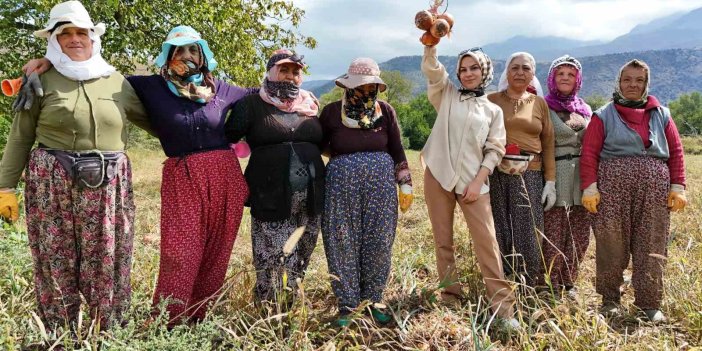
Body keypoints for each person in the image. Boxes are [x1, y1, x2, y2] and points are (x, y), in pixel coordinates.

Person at [19, 25, 255, 326]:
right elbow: (91, 72)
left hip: (225, 174)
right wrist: (51, 60)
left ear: (203, 55)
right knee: (180, 254)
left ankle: (200, 319)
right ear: (167, 55)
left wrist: (296, 97)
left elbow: (259, 94)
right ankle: (168, 321)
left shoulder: (221, 89)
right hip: (183, 174)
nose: (187, 57)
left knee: (217, 250)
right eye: (178, 51)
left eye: (193, 50)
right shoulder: (148, 86)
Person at [0, 0, 152, 330]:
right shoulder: (40, 79)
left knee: (108, 259)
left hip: (109, 183)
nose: (74, 39)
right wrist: (5, 188)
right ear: (54, 40)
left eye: (80, 32)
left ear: (93, 37)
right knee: (57, 257)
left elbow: (158, 121)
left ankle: (106, 332)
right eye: (64, 33)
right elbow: (20, 136)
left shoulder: (117, 82)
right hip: (52, 180)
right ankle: (59, 332)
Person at [580, 59, 687, 322]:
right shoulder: (603, 114)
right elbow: (589, 153)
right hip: (612, 188)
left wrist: (678, 186)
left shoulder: (662, 114)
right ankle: (610, 300)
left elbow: (676, 152)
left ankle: (648, 304)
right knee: (611, 242)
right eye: (627, 79)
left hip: (654, 191)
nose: (633, 85)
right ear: (619, 82)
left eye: (639, 80)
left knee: (651, 242)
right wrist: (590, 187)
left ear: (646, 84)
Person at [421, 44, 519, 328]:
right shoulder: (447, 95)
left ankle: (503, 309)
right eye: (463, 69)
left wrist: (478, 181)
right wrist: (430, 45)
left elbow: (495, 149)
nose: (467, 74)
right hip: (438, 176)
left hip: (473, 183)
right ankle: (450, 296)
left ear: (485, 70)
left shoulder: (492, 111)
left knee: (487, 242)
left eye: (474, 68)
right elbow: (433, 70)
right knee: (443, 240)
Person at [318, 57, 413, 326]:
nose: (365, 91)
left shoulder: (386, 111)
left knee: (379, 241)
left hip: (381, 189)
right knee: (342, 240)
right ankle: (347, 305)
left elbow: (396, 149)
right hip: (340, 188)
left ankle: (374, 299)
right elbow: (319, 147)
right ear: (348, 86)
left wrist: (405, 183)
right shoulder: (331, 112)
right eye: (361, 86)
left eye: (371, 86)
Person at [225, 49, 323, 306]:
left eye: (295, 71)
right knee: (274, 256)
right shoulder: (251, 104)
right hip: (269, 194)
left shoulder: (311, 103)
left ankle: (293, 302)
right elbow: (228, 139)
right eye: (284, 69)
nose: (290, 76)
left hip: (311, 195)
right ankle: (268, 306)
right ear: (270, 71)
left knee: (303, 249)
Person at [487, 52, 556, 287]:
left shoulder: (539, 104)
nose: (519, 72)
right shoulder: (491, 100)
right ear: (506, 72)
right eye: (514, 67)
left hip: (531, 173)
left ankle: (528, 282)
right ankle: (503, 280)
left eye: (525, 68)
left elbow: (548, 142)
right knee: (499, 225)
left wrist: (550, 181)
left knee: (529, 228)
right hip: (496, 171)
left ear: (533, 73)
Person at [541, 55, 593, 297]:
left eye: (570, 74)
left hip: (580, 178)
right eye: (560, 73)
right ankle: (549, 282)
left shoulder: (585, 109)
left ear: (577, 80)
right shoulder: (543, 106)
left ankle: (569, 281)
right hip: (555, 173)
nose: (565, 77)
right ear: (552, 78)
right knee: (554, 230)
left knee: (579, 231)